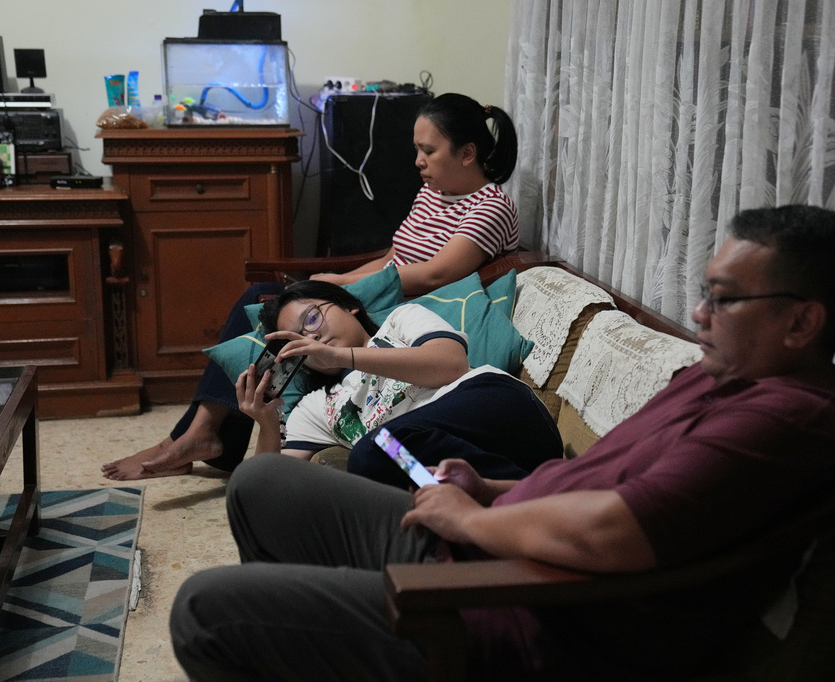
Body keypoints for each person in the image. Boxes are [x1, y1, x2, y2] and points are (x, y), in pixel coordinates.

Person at [170, 205, 835, 681]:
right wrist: (488, 491)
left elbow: (616, 531)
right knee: (264, 485)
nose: (698, 313)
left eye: (723, 299)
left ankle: (343, 632)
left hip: (523, 614)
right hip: (493, 542)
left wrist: (478, 520)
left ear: (803, 323)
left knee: (206, 608)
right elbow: (598, 482)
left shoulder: (785, 421)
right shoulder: (722, 377)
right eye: (706, 292)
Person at [102, 92, 521, 480]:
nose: (417, 161)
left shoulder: (492, 206)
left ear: (468, 153)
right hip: (386, 290)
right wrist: (340, 279)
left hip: (406, 304)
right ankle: (203, 433)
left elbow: (434, 274)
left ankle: (199, 433)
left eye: (428, 150)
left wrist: (340, 282)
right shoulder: (433, 193)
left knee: (261, 299)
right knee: (266, 299)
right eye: (416, 149)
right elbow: (395, 257)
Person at [234, 280, 562, 485]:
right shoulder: (315, 407)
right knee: (376, 460)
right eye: (299, 340)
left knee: (375, 448)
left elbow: (450, 364)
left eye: (312, 318)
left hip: (501, 408)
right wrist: (266, 424)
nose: (312, 336)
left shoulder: (399, 321)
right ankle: (515, 492)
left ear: (350, 306)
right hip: (460, 460)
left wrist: (344, 356)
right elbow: (271, 484)